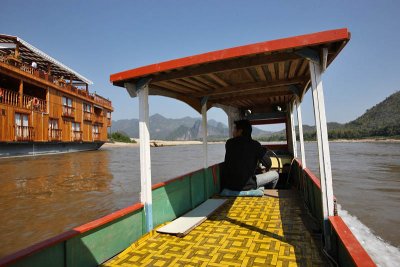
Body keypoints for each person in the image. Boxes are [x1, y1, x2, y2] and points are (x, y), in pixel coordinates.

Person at [221, 119, 279, 191]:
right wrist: (263, 152)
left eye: (234, 129)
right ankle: (264, 192)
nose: (233, 131)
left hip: (228, 185)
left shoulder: (229, 143)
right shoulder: (255, 145)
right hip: (247, 185)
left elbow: (240, 156)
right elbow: (268, 163)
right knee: (275, 175)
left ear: (240, 131)